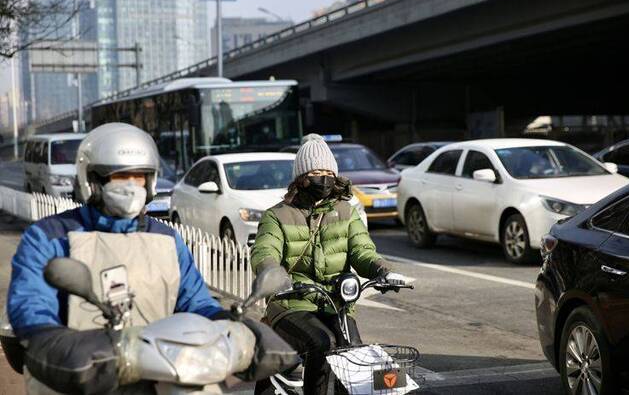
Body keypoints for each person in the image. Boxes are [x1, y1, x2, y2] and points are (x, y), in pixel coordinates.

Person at [6, 123, 230, 393]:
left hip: (159, 369)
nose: (131, 187)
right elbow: (30, 304)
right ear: (92, 181)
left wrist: (229, 325)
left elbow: (195, 300)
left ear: (151, 182)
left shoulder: (167, 240)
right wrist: (49, 338)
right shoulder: (49, 237)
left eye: (139, 178)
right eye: (120, 177)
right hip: (82, 372)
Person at [251, 134, 407, 395]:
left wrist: (382, 270)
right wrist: (272, 272)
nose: (323, 178)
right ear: (301, 177)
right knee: (323, 343)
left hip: (336, 302)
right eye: (316, 172)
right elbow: (264, 250)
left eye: (327, 172)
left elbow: (362, 251)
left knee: (353, 350)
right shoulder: (276, 216)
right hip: (292, 302)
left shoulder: (347, 212)